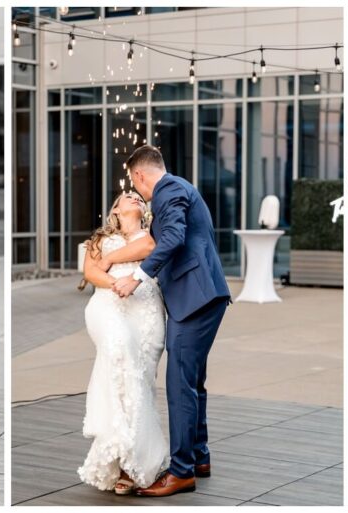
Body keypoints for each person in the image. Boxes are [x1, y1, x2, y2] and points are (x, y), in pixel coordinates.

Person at [113, 145, 231, 497]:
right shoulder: (174, 190)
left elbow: (175, 238)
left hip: (195, 299)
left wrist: (138, 277)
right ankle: (198, 456)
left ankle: (181, 472)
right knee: (193, 381)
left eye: (135, 184)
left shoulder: (170, 190)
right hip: (201, 296)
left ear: (139, 175)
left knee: (180, 384)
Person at [77, 192, 169, 495]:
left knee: (140, 381)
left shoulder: (150, 234)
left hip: (146, 313)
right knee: (119, 362)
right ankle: (128, 462)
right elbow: (90, 273)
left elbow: (149, 247)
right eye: (126, 196)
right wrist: (116, 283)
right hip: (110, 306)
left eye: (137, 197)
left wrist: (110, 260)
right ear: (115, 209)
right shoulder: (99, 238)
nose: (134, 198)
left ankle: (131, 456)